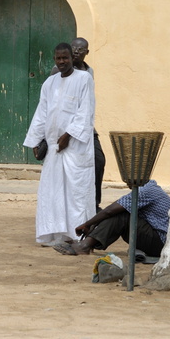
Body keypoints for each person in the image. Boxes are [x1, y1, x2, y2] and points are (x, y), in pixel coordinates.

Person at [24, 42, 95, 245]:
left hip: (75, 148)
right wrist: (36, 140)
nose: (62, 61)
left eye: (65, 58)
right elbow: (41, 113)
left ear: (72, 58)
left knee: (76, 192)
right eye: (58, 58)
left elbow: (85, 112)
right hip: (55, 148)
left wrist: (68, 135)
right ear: (54, 59)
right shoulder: (49, 83)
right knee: (53, 191)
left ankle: (78, 234)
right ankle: (55, 233)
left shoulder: (84, 79)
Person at [51, 37, 106, 212]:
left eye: (80, 49)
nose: (76, 51)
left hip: (85, 126)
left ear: (86, 53)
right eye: (73, 47)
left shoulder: (89, 72)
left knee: (98, 160)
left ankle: (94, 203)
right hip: (63, 126)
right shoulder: (59, 71)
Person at [52, 180, 170, 257]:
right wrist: (95, 223)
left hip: (161, 243)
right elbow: (114, 206)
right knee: (118, 212)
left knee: (122, 215)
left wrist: (87, 224)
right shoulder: (150, 188)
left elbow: (111, 210)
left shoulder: (146, 191)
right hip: (159, 240)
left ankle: (84, 246)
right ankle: (88, 243)